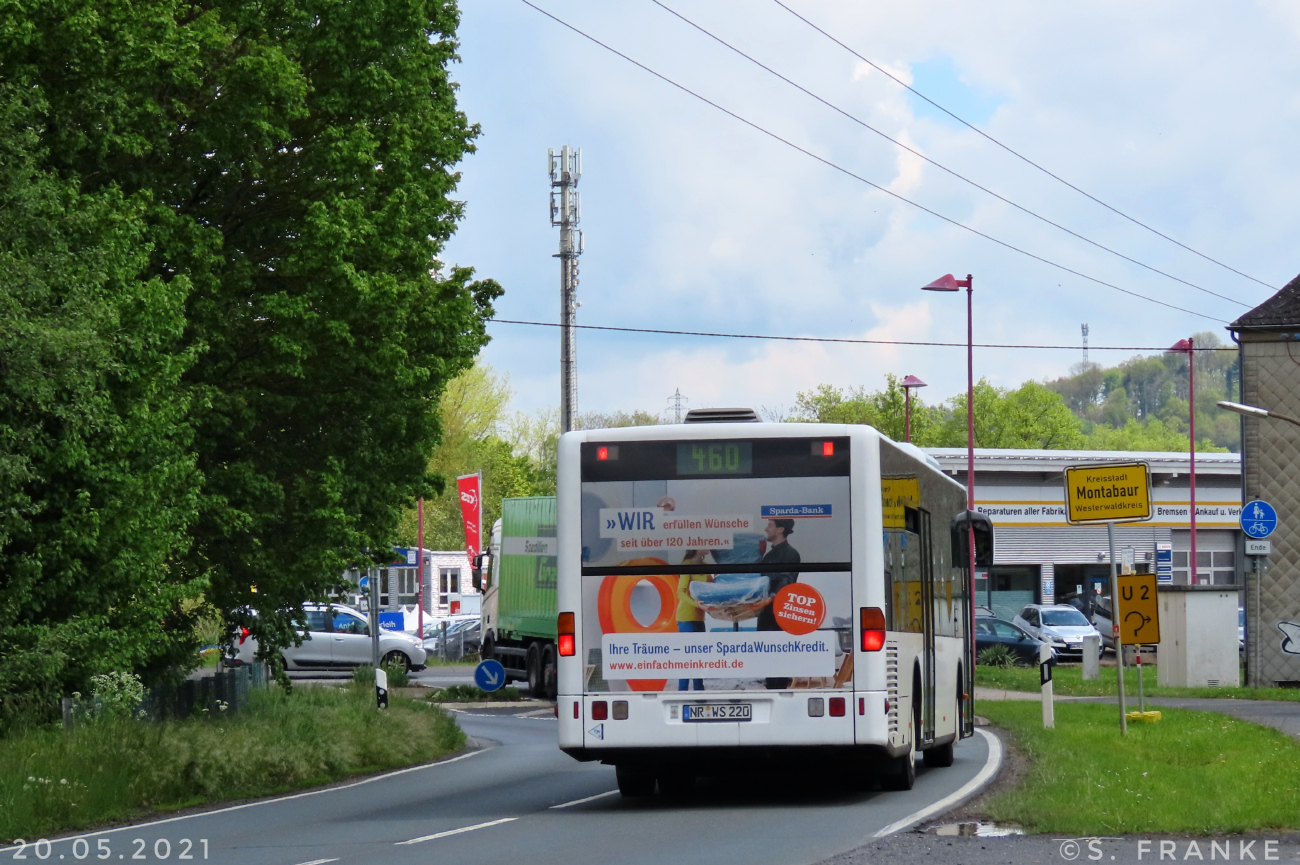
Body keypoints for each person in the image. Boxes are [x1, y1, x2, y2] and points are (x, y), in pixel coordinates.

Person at [755, 519, 799, 689]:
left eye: (770, 525)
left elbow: (786, 580)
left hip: (779, 615)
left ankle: (778, 689)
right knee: (768, 658)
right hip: (766, 613)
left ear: (780, 529)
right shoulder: (769, 555)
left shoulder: (791, 554)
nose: (766, 528)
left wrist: (770, 598)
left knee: (778, 658)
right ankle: (771, 687)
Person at [675, 549, 711, 692]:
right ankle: (682, 692)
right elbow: (680, 592)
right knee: (688, 656)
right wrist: (697, 604)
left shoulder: (705, 564)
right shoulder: (687, 564)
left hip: (699, 616)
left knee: (698, 656)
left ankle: (699, 691)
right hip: (686, 616)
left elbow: (711, 586)